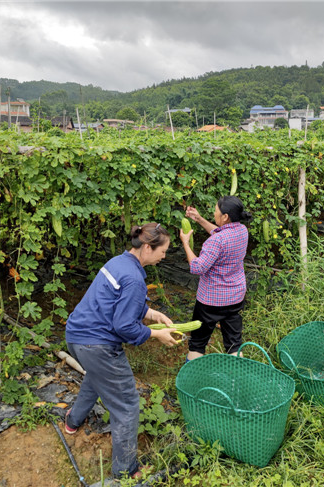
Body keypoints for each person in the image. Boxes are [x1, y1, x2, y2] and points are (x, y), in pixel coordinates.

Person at [64, 223, 178, 482]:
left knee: (95, 377)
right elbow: (124, 326)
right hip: (97, 345)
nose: (164, 256)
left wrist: (151, 313)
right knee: (127, 405)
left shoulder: (119, 262)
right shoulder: (135, 279)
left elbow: (117, 301)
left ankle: (72, 421)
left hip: (76, 336)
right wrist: (156, 334)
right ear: (148, 247)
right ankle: (125, 470)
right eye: (163, 251)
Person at [179, 195, 252, 361]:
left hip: (210, 302)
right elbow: (219, 232)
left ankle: (192, 380)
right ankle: (237, 379)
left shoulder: (216, 242)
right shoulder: (242, 231)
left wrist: (185, 242)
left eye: (216, 211)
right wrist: (199, 219)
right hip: (235, 297)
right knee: (234, 343)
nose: (214, 213)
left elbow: (197, 267)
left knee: (198, 342)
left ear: (225, 217)